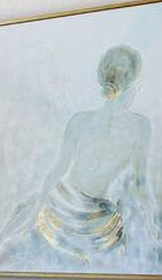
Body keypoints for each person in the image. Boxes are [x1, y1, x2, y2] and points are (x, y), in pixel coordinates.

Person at [32, 43, 151, 260]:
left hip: (74, 214)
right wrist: (154, 230)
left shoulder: (79, 120)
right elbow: (140, 185)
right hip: (71, 218)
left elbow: (58, 170)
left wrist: (35, 209)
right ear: (132, 85)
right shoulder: (140, 126)